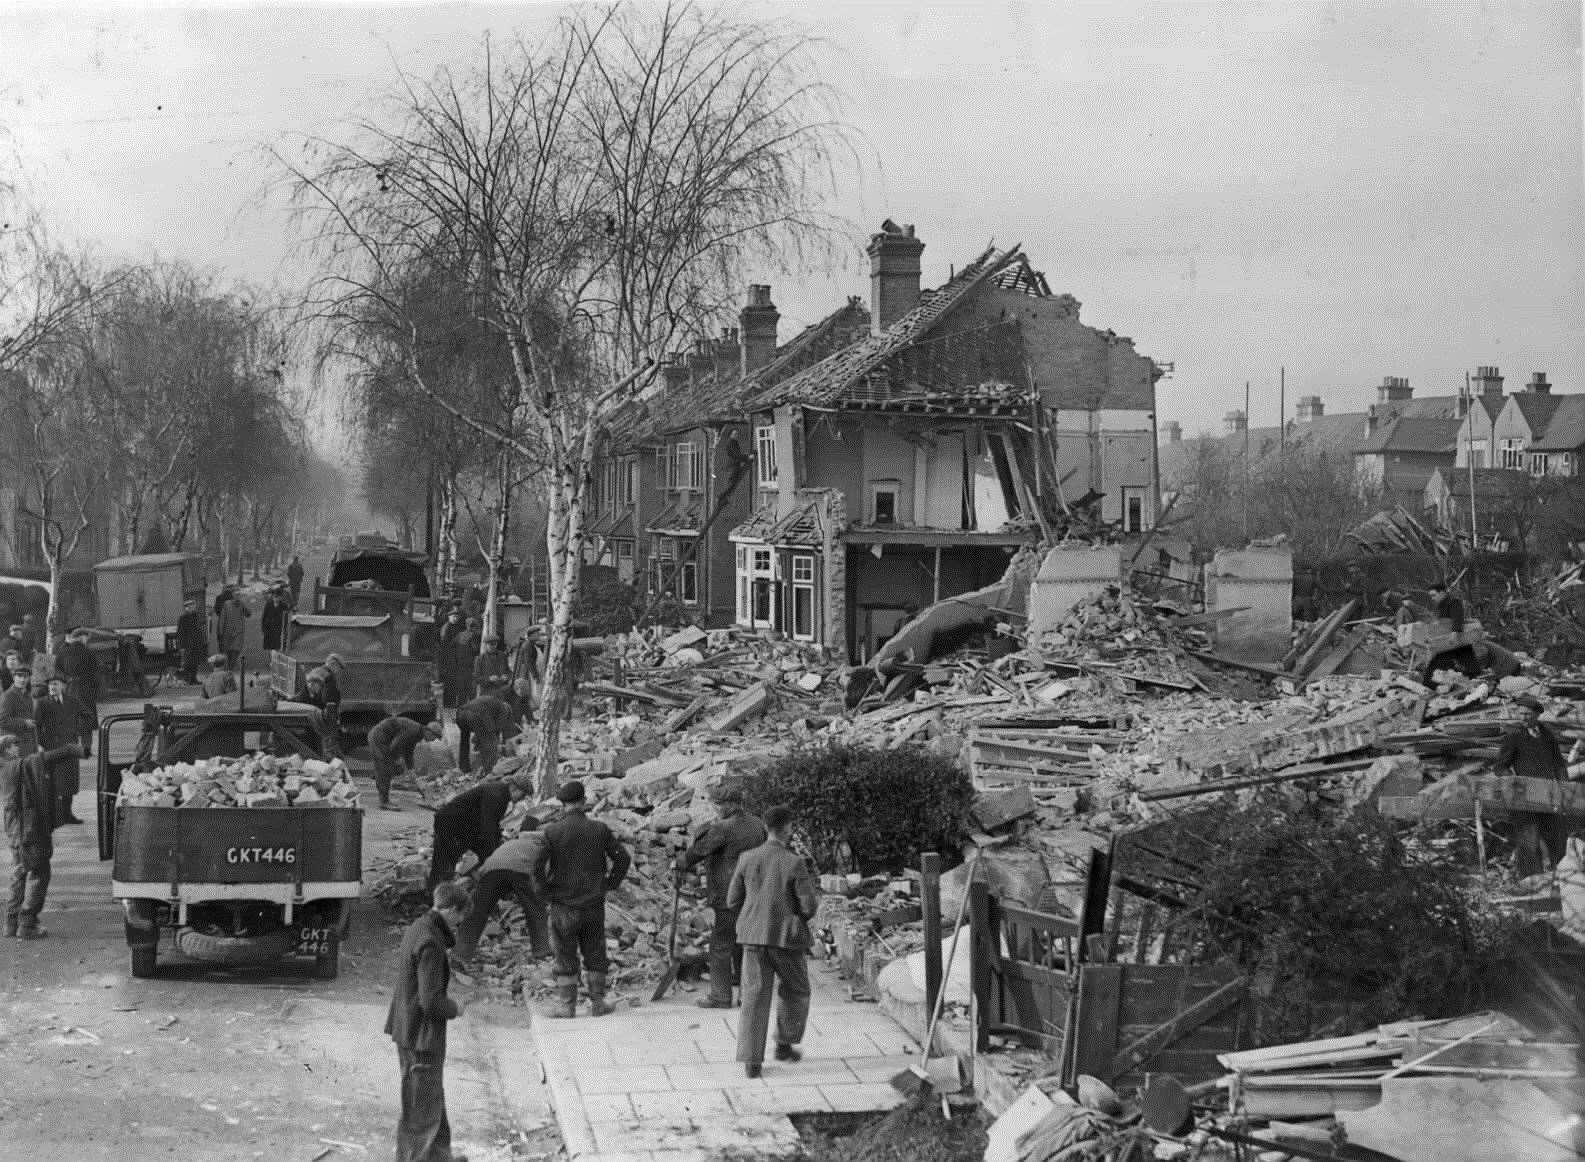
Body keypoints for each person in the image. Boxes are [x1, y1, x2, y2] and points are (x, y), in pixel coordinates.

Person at [384, 881, 471, 1162]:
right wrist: (455, 1007)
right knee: (421, 1108)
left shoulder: (418, 927)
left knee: (429, 1098)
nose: (459, 924)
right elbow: (430, 1001)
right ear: (451, 910)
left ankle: (438, 1157)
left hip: (408, 1027)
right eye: (460, 917)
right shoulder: (431, 942)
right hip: (421, 1035)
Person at [729, 803, 818, 1078]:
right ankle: (784, 1044)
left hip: (753, 937)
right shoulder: (794, 862)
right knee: (796, 990)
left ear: (766, 828)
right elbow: (809, 906)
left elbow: (733, 899)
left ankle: (751, 1062)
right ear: (787, 828)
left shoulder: (747, 858)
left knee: (754, 997)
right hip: (786, 938)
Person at [531, 780, 631, 1019]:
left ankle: (567, 1006)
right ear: (584, 802)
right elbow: (623, 859)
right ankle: (598, 1003)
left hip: (563, 905)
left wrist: (545, 893)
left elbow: (536, 867)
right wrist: (609, 884)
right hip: (593, 905)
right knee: (595, 952)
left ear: (562, 804)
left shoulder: (552, 832)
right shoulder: (599, 829)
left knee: (564, 954)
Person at [678, 786, 767, 1009]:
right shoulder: (757, 824)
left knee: (720, 945)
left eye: (717, 805)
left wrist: (678, 863)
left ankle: (720, 996)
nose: (715, 809)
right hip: (753, 892)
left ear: (729, 805)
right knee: (744, 941)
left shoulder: (721, 827)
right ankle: (745, 990)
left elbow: (698, 852)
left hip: (728, 894)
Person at [1, 734, 82, 939]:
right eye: (13, 745)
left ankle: (11, 923)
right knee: (39, 871)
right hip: (28, 828)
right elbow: (42, 759)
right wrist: (71, 750)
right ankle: (27, 923)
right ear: (6, 750)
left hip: (15, 830)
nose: (18, 748)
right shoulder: (15, 767)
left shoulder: (5, 769)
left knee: (19, 872)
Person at [1495, 694, 1575, 878]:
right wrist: (1515, 783)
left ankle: (1561, 881)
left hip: (1550, 797)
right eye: (1520, 714)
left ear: (1537, 715)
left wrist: (1564, 788)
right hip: (1525, 798)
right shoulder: (1513, 737)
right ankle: (1531, 884)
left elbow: (1559, 764)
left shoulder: (1547, 736)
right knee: (1529, 843)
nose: (1522, 718)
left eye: (1527, 714)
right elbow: (1500, 767)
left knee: (1557, 839)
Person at [452, 820, 550, 963]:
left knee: (476, 913)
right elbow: (543, 876)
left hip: (490, 869)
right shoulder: (544, 848)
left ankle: (460, 954)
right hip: (520, 868)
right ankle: (542, 952)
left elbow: (488, 876)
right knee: (536, 911)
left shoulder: (511, 844)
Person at [427, 774, 533, 890]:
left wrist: (498, 841)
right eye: (522, 796)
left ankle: (479, 884)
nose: (521, 800)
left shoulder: (501, 794)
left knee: (468, 854)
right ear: (515, 789)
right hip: (450, 824)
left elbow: (493, 823)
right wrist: (493, 852)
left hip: (464, 826)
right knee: (444, 861)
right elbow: (487, 827)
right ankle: (437, 897)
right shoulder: (496, 795)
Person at [33, 676, 84, 824]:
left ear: (63, 686)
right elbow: (36, 726)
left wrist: (77, 732)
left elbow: (86, 716)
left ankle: (67, 814)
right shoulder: (42, 703)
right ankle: (53, 816)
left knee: (70, 782)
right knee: (53, 782)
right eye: (49, 685)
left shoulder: (72, 701)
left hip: (70, 746)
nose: (52, 687)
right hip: (52, 748)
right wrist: (40, 744)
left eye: (55, 684)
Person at [369, 715, 443, 811]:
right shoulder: (413, 730)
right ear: (428, 731)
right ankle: (384, 801)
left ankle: (379, 776)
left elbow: (408, 751)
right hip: (378, 738)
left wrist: (411, 770)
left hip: (383, 739)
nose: (433, 740)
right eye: (434, 736)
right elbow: (396, 745)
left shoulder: (417, 733)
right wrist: (395, 761)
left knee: (390, 768)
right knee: (386, 768)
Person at [54, 629, 100, 757]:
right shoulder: (89, 652)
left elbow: (57, 670)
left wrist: (66, 680)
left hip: (69, 689)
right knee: (87, 721)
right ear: (81, 638)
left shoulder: (62, 652)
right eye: (86, 637)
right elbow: (95, 674)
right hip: (86, 690)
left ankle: (72, 750)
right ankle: (86, 750)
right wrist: (95, 691)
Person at [454, 691, 514, 776]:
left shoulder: (492, 703)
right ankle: (490, 772)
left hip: (460, 714)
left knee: (464, 741)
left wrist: (479, 742)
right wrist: (501, 746)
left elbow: (482, 731)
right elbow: (495, 730)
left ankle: (464, 768)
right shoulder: (504, 709)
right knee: (491, 743)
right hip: (475, 715)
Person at [302, 666, 343, 759]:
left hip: (326, 717)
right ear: (311, 684)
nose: (319, 688)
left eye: (320, 686)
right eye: (318, 685)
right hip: (312, 724)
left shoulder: (321, 691)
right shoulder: (305, 694)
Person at [0, 665, 37, 757]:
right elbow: (2, 720)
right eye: (19, 676)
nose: (22, 680)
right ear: (13, 677)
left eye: (25, 677)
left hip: (29, 745)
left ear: (29, 678)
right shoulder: (7, 696)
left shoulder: (28, 697)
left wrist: (35, 746)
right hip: (14, 746)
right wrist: (24, 722)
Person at [175, 598, 207, 685]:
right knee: (188, 662)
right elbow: (180, 632)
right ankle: (187, 679)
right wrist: (181, 646)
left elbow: (198, 629)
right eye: (191, 606)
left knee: (195, 662)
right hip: (188, 644)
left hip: (196, 643)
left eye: (194, 606)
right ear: (187, 607)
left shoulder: (195, 616)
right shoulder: (183, 618)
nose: (194, 607)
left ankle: (193, 679)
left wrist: (202, 640)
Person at [217, 591, 250, 671]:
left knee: (236, 650)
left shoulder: (241, 604)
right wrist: (220, 631)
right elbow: (222, 618)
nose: (237, 597)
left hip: (238, 632)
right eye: (236, 595)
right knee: (228, 651)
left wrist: (244, 606)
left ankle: (230, 669)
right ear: (233, 596)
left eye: (239, 595)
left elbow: (248, 614)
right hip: (228, 632)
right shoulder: (226, 604)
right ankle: (228, 668)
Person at [473, 636, 510, 700]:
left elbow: (508, 671)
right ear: (486, 645)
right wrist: (489, 679)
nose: (494, 646)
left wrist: (507, 676)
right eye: (491, 644)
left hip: (502, 690)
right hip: (487, 692)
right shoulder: (479, 659)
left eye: (495, 644)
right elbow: (476, 678)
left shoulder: (502, 655)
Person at [260, 589, 289, 654]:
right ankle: (271, 661)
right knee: (269, 647)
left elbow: (286, 618)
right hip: (269, 629)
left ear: (280, 597)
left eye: (277, 597)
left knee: (277, 646)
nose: (275, 599)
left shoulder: (284, 606)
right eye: (274, 597)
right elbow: (264, 617)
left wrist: (285, 629)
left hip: (278, 629)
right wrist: (263, 628)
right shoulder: (268, 604)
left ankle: (275, 661)